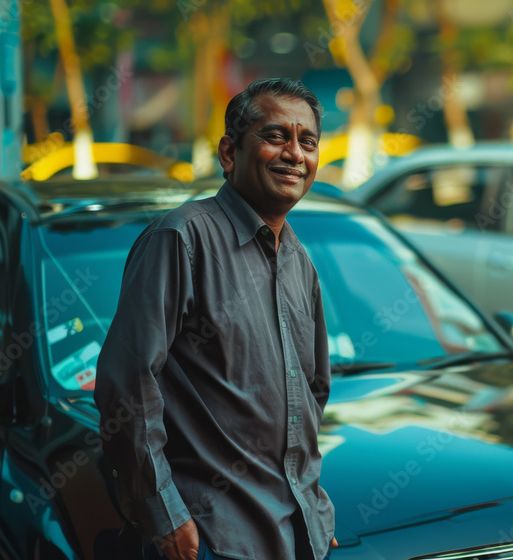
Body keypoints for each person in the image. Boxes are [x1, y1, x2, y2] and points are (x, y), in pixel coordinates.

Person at [95, 78, 337, 560]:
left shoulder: (299, 262)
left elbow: (311, 395)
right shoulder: (180, 239)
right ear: (229, 152)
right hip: (210, 539)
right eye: (275, 136)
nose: (294, 153)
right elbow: (128, 385)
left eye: (307, 141)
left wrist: (311, 507)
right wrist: (164, 515)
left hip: (292, 537)